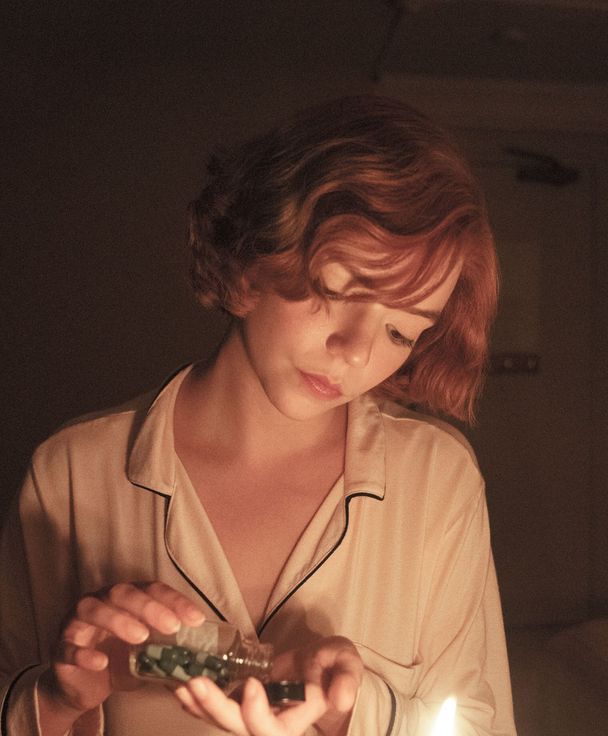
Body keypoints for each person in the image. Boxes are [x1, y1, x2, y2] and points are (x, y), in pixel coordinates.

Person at [0, 95, 516, 736]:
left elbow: (480, 725)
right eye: (337, 290)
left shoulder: (439, 482)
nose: (356, 353)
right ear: (249, 263)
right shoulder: (72, 474)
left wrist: (351, 709)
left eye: (402, 332)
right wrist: (59, 699)